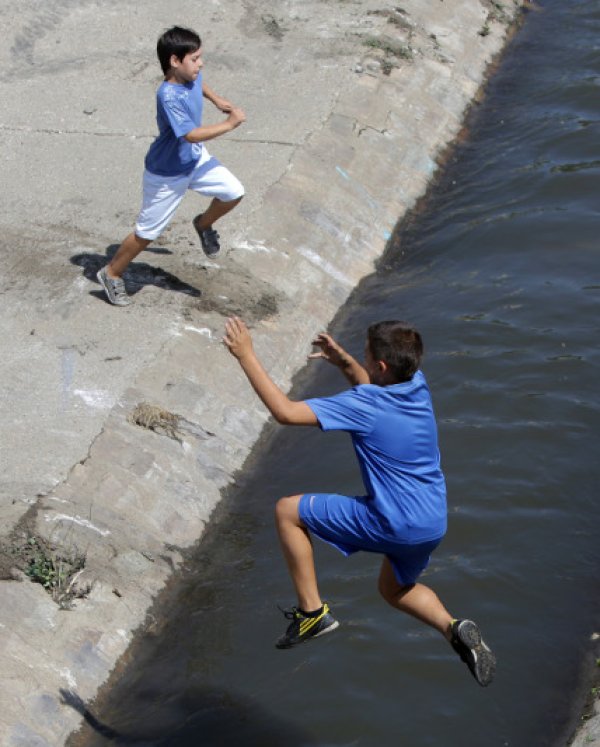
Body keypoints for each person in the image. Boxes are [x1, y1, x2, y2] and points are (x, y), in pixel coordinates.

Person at [223, 316, 496, 687]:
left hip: (393, 521)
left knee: (288, 511)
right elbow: (374, 386)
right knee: (394, 590)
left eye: (366, 356)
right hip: (431, 521)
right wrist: (345, 362)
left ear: (380, 366)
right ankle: (452, 628)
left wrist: (245, 355)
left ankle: (312, 613)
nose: (362, 359)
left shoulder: (363, 404)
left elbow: (285, 413)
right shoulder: (417, 385)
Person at [97, 26, 245, 306]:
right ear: (174, 61)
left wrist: (216, 99)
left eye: (200, 57)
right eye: (195, 59)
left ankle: (203, 224)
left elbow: (199, 82)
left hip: (194, 158)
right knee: (147, 232)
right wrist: (229, 124)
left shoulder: (189, 75)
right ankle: (111, 273)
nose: (200, 64)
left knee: (233, 192)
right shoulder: (168, 97)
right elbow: (189, 134)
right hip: (166, 174)